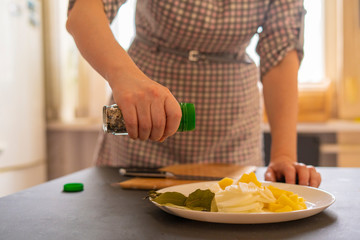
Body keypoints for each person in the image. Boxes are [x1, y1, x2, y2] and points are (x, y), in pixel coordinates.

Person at [66, 0, 321, 187]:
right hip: (143, 130)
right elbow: (84, 12)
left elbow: (281, 52)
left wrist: (284, 156)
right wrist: (126, 78)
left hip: (232, 135)